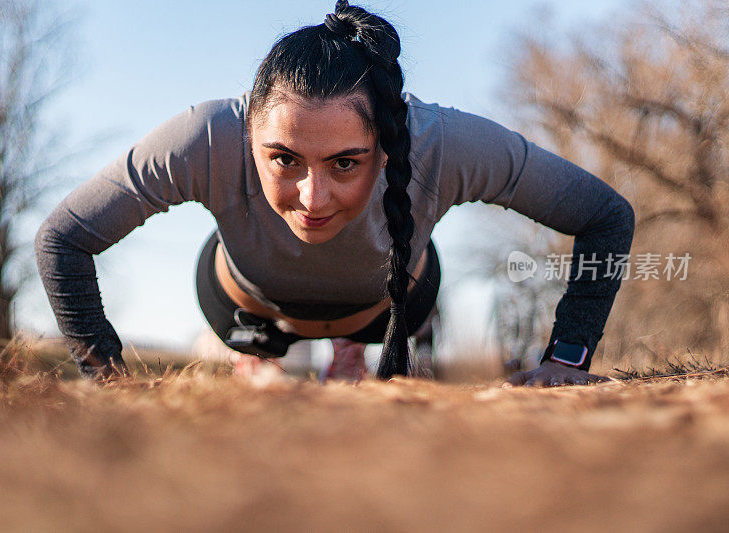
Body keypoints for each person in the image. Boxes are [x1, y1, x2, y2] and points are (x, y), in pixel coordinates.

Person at [34, 1, 635, 387]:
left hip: (394, 309)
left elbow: (605, 215)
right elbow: (62, 238)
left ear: (385, 140)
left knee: (379, 323)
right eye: (283, 160)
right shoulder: (206, 137)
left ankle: (352, 349)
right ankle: (257, 356)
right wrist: (106, 378)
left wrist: (568, 356)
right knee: (261, 359)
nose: (313, 198)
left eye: (345, 163)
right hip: (244, 305)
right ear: (249, 135)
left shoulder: (444, 142)